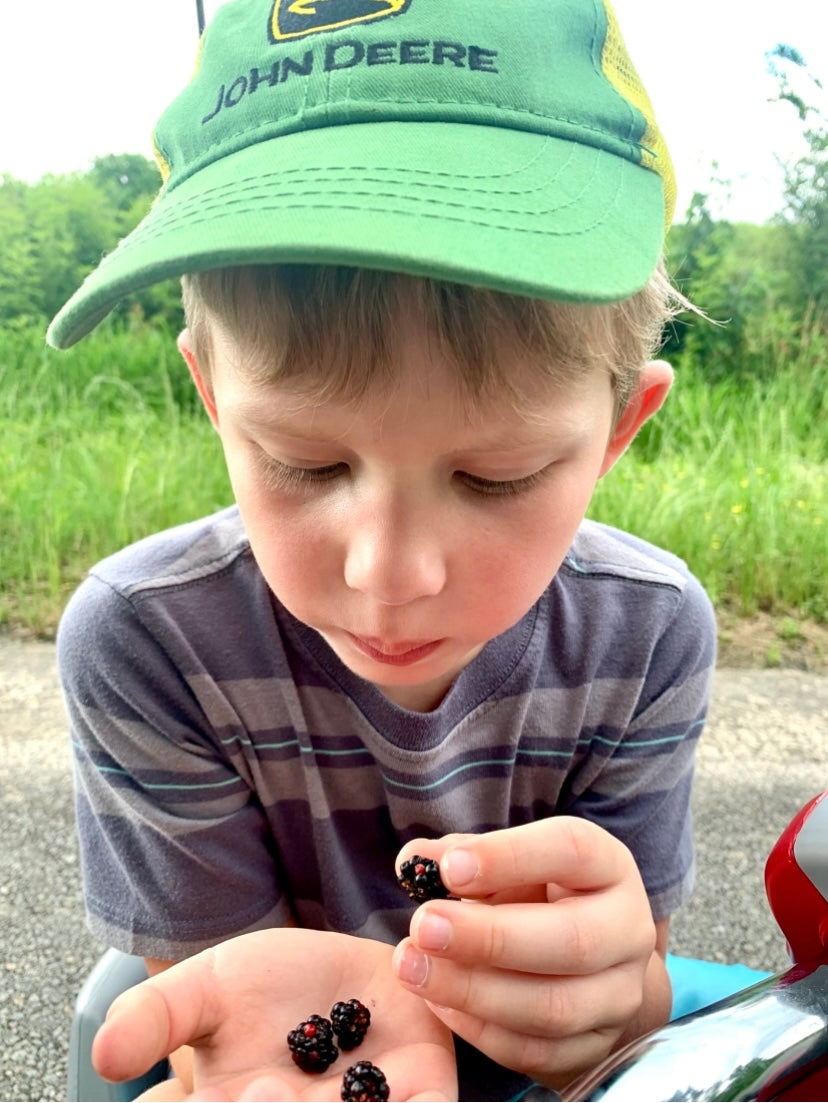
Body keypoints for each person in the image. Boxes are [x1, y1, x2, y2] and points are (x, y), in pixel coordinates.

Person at [49, 0, 717, 1099]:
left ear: (619, 432)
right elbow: (225, 997)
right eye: (305, 462)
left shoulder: (648, 633)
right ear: (214, 399)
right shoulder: (144, 637)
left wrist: (618, 991)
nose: (388, 575)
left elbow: (625, 983)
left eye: (494, 476)